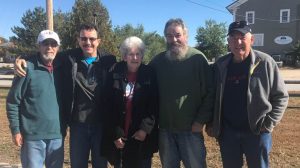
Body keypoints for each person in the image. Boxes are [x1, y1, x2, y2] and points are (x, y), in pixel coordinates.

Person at [14, 24, 116, 168]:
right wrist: (21, 59)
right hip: (77, 125)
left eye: (92, 39)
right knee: (78, 165)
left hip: (100, 125)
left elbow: (127, 65)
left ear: (99, 41)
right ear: (78, 40)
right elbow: (46, 52)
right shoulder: (69, 58)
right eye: (84, 38)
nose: (88, 42)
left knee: (100, 164)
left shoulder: (108, 61)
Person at [207, 20, 289, 168]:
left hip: (256, 133)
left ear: (251, 40)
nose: (238, 42)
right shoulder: (220, 65)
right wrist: (211, 123)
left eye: (242, 37)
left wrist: (269, 123)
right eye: (233, 37)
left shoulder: (265, 62)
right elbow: (212, 96)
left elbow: (281, 96)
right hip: (228, 133)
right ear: (228, 41)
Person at [149, 18, 214, 168]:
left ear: (186, 35)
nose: (174, 39)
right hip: (165, 130)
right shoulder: (158, 62)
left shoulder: (197, 58)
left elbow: (211, 92)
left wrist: (200, 121)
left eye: (178, 35)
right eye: (169, 35)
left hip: (191, 129)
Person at [6, 30, 64, 168]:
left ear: (58, 47)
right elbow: (13, 102)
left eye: (53, 44)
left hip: (57, 134)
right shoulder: (26, 68)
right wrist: (15, 130)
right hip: (32, 136)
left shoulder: (63, 68)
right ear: (38, 45)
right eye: (45, 43)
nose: (49, 47)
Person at [100, 36, 159, 168]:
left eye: (138, 54)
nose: (135, 58)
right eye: (131, 54)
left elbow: (153, 104)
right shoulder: (114, 72)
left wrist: (145, 129)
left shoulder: (149, 73)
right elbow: (107, 106)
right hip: (120, 136)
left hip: (140, 136)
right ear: (124, 56)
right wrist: (114, 135)